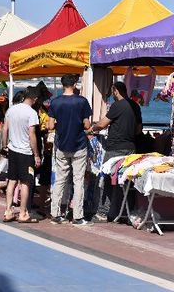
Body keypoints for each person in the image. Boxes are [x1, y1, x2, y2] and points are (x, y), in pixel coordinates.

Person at [90, 82, 142, 222]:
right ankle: (127, 211)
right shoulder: (135, 106)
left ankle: (103, 212)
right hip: (130, 148)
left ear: (116, 91)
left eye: (112, 92)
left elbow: (102, 124)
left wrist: (90, 130)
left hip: (114, 148)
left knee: (107, 179)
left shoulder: (117, 106)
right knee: (127, 180)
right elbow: (139, 129)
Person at [47, 74, 93, 226]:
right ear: (74, 84)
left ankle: (55, 213)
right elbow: (87, 125)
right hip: (79, 145)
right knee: (78, 181)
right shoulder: (82, 102)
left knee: (60, 180)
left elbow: (50, 126)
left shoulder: (55, 102)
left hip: (61, 145)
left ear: (62, 85)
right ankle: (78, 216)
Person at [1, 87, 40, 224]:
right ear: (34, 99)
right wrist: (36, 154)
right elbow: (32, 135)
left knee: (11, 181)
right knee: (25, 182)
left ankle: (8, 211)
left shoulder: (12, 110)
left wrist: (5, 145)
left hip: (12, 149)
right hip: (25, 152)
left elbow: (5, 129)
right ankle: (23, 213)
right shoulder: (32, 113)